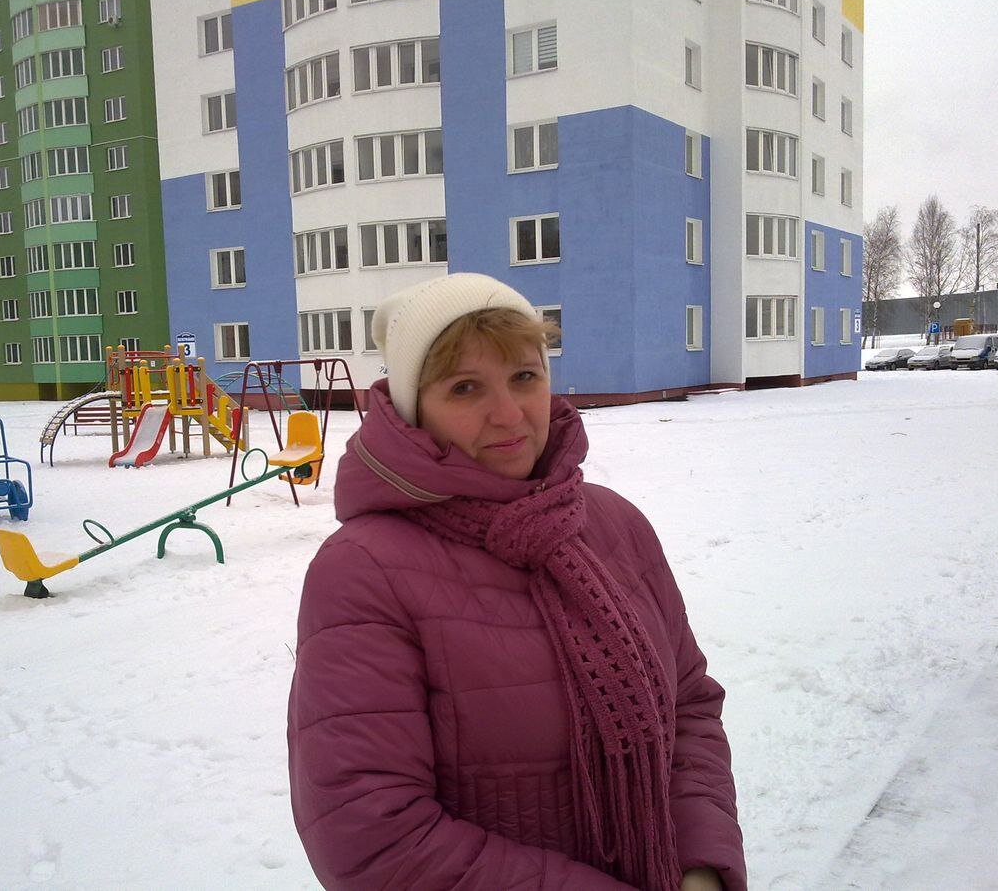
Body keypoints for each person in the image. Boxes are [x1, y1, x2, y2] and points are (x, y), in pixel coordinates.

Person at [288, 273, 745, 890]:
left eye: (525, 376)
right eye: (465, 387)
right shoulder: (362, 570)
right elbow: (372, 834)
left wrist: (701, 866)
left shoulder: (614, 525)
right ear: (414, 410)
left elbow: (688, 707)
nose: (508, 414)